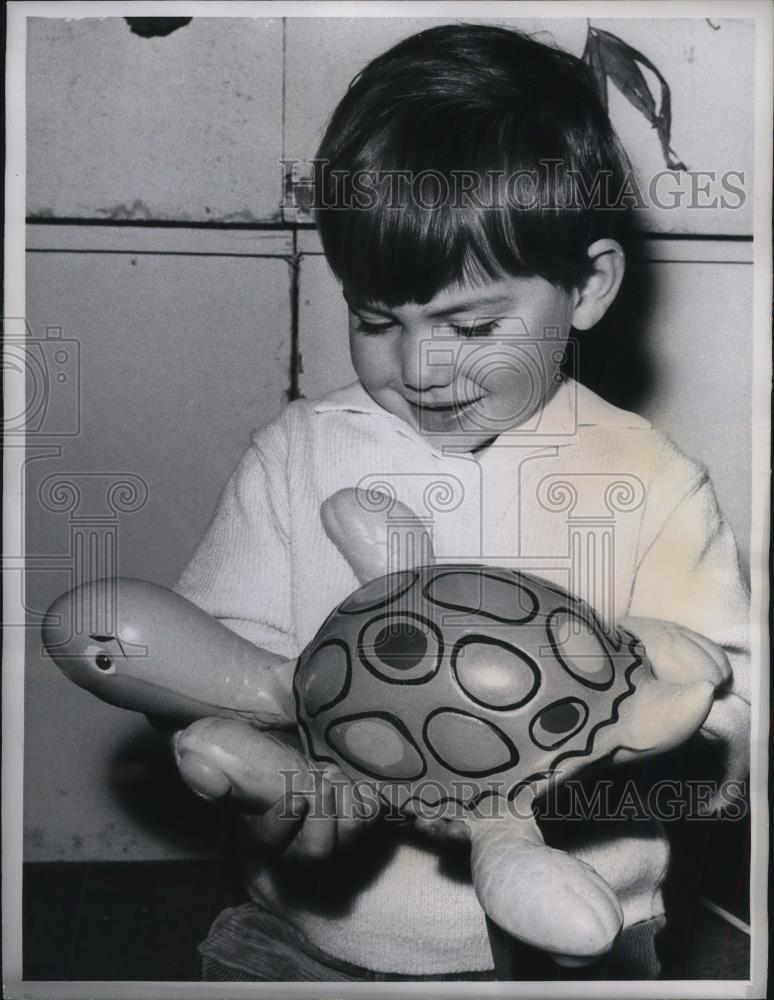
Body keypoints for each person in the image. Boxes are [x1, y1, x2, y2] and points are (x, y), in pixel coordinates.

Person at [172, 24, 750, 982]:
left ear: (588, 287)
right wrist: (274, 762)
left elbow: (726, 716)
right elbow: (213, 660)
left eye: (471, 324)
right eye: (373, 319)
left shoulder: (650, 477)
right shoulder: (298, 455)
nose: (419, 365)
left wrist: (589, 744)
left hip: (579, 929)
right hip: (320, 933)